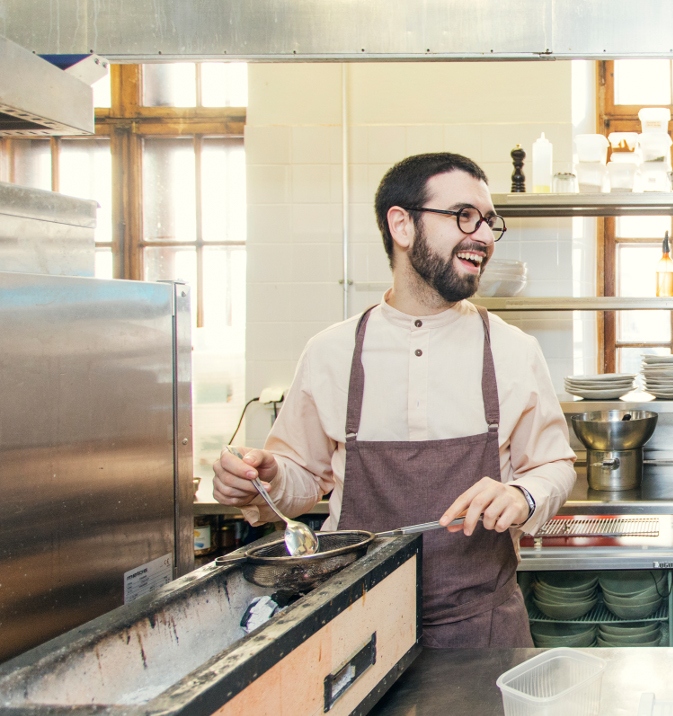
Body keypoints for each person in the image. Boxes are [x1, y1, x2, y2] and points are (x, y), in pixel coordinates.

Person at [214, 152, 576, 648]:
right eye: (465, 216)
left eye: (490, 222)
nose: (486, 237)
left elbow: (554, 465)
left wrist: (521, 494)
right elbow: (301, 479)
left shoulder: (514, 350)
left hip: (482, 631)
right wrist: (267, 477)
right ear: (402, 225)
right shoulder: (330, 352)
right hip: (358, 632)